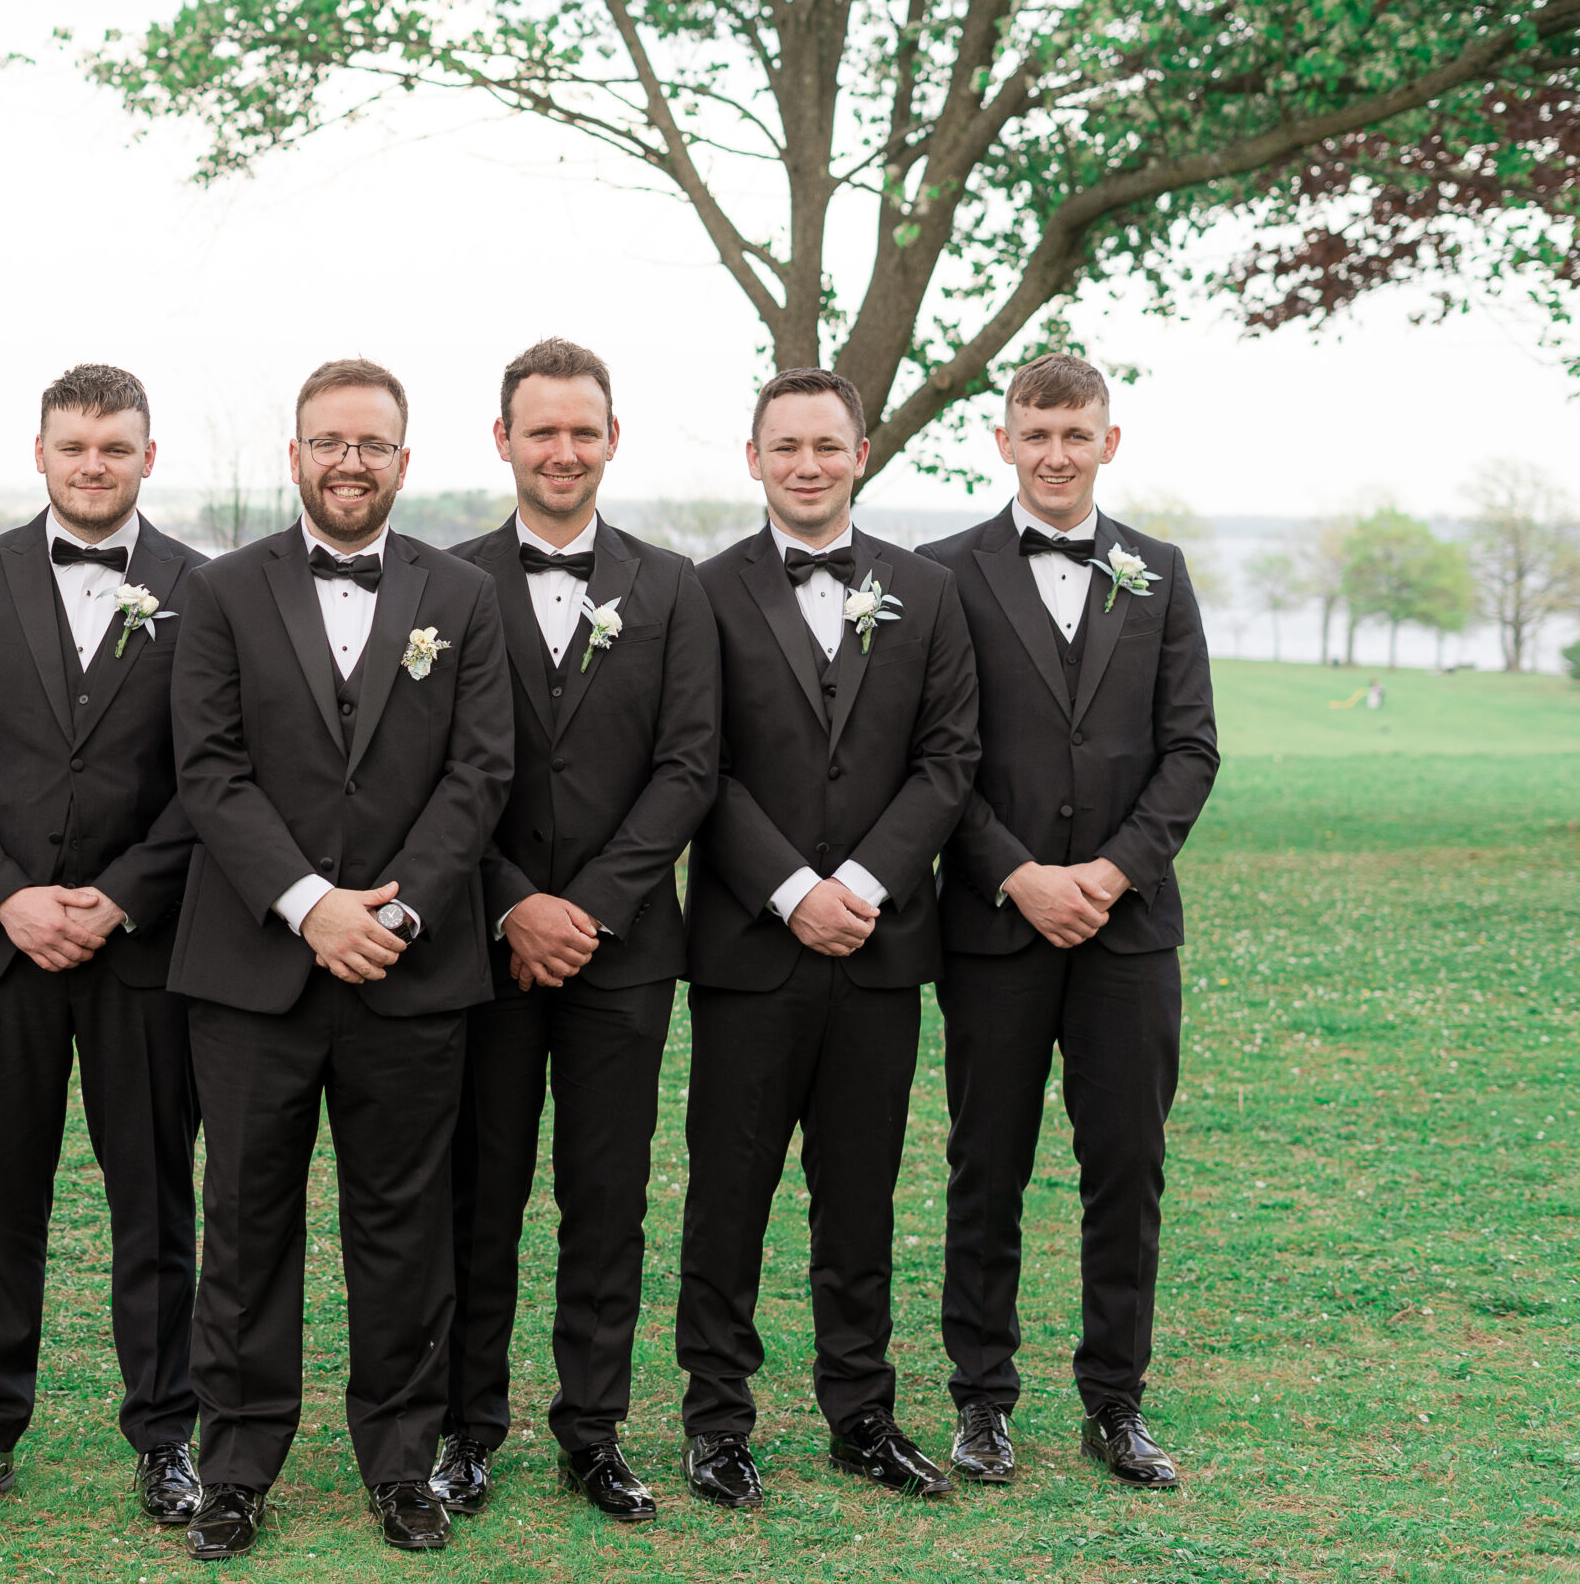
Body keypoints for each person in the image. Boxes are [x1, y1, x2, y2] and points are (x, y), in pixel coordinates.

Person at [167, 357, 515, 1560]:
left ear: (403, 460)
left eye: (372, 443)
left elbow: (480, 772)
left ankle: (400, 1462)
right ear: (297, 454)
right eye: (328, 442)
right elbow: (207, 768)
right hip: (254, 968)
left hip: (411, 973)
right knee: (246, 1222)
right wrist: (312, 905)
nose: (349, 462)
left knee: (403, 1227)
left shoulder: (462, 595)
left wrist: (399, 912)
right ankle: (238, 1465)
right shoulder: (219, 591)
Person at [0, 365, 204, 1522]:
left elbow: (210, 774)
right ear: (39, 452)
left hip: (144, 954)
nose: (93, 465)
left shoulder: (199, 587)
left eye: (114, 447)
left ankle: (164, 1433)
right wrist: (8, 896)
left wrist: (119, 895)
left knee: (156, 1204)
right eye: (74, 445)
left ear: (145, 454)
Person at [676, 368, 979, 1506]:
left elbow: (948, 759)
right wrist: (792, 886)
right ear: (752, 459)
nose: (807, 463)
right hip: (749, 949)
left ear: (861, 453)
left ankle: (862, 1413)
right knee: (729, 1194)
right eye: (784, 445)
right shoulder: (697, 593)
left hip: (879, 945)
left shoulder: (927, 590)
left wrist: (856, 883)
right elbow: (695, 764)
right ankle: (716, 1420)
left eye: (827, 444)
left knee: (860, 1193)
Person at [917, 353, 1218, 1489]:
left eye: (1074, 433)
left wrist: (1107, 872)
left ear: (1109, 441)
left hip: (1127, 933)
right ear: (1003, 440)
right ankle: (982, 1402)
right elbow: (936, 754)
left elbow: (1190, 744)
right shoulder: (944, 573)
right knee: (984, 1164)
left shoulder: (1161, 571)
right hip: (995, 930)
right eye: (1035, 432)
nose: (1054, 452)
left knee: (1124, 1168)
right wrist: (1018, 874)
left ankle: (1115, 1401)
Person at [434, 339, 717, 1523]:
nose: (562, 450)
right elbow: (429, 772)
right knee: (475, 1191)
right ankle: (465, 1425)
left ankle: (592, 1428)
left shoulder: (672, 587)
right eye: (539, 429)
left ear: (612, 439)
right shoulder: (439, 585)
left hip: (624, 951)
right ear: (501, 439)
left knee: (608, 1193)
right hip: (478, 945)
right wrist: (512, 899)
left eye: (582, 430)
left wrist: (589, 906)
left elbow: (689, 763)